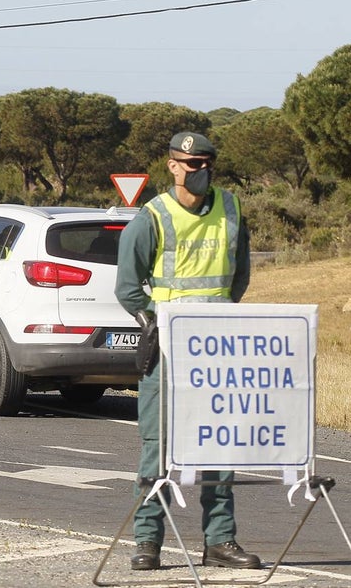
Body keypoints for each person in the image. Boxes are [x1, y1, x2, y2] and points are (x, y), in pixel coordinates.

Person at [115, 131, 258, 571]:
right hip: (168, 352)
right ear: (173, 166)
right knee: (157, 450)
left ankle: (220, 541)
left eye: (207, 164)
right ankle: (148, 543)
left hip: (217, 350)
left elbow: (239, 277)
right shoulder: (152, 217)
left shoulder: (231, 208)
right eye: (191, 165)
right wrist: (153, 323)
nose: (200, 172)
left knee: (218, 447)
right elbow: (127, 287)